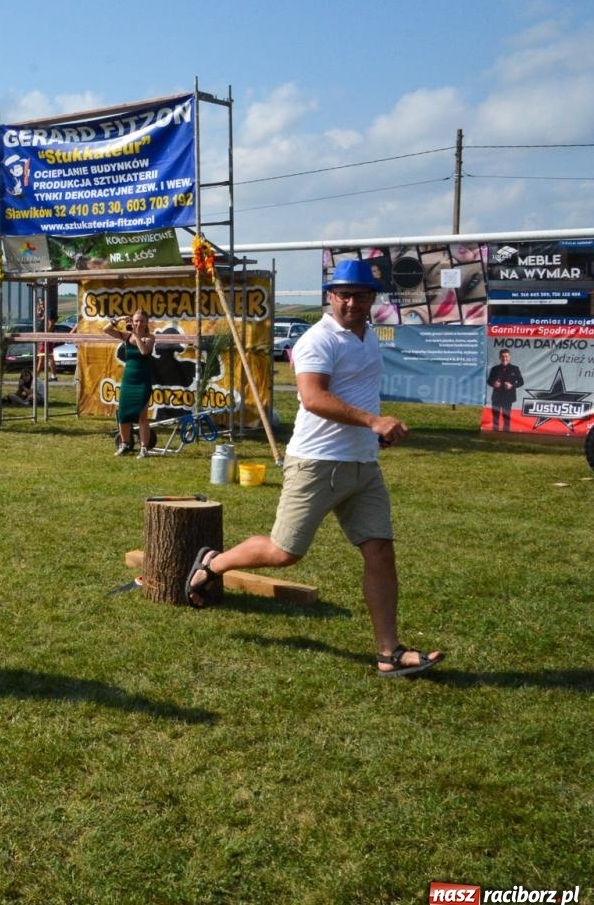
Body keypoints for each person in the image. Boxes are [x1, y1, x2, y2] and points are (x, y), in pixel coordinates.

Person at [183, 259, 444, 678]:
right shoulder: (317, 340)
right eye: (344, 295)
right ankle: (213, 564)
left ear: (371, 299)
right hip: (317, 463)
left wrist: (372, 431)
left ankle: (388, 651)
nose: (352, 302)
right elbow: (313, 398)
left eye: (360, 295)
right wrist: (373, 421)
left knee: (379, 550)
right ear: (330, 297)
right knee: (284, 553)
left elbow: (355, 392)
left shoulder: (368, 337)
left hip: (363, 464)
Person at [104, 310, 157, 457]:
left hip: (142, 381)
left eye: (141, 321)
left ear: (146, 323)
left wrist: (136, 335)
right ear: (132, 322)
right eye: (136, 321)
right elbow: (106, 330)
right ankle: (125, 444)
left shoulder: (149, 338)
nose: (138, 323)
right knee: (123, 415)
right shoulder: (126, 336)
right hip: (128, 380)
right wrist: (119, 319)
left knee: (142, 416)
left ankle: (144, 448)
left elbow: (144, 351)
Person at [485, 348, 524, 432]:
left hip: (508, 397)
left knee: (506, 417)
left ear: (509, 357)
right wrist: (493, 383)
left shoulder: (515, 368)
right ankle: (495, 433)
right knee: (495, 416)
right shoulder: (494, 369)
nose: (504, 358)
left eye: (506, 356)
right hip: (496, 397)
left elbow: (521, 382)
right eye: (502, 356)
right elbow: (489, 381)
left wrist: (512, 386)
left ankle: (506, 434)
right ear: (499, 357)